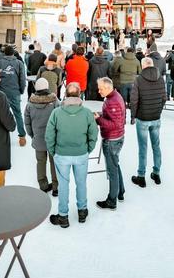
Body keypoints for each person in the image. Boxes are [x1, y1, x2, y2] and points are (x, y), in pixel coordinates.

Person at [45, 82, 99, 228]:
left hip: (62, 154)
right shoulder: (87, 113)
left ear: (65, 95)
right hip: (81, 154)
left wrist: (53, 151)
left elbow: (49, 135)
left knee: (63, 185)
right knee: (81, 183)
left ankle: (63, 216)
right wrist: (88, 149)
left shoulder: (57, 113)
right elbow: (94, 133)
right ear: (79, 94)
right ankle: (82, 211)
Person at [130, 57, 167, 188]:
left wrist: (133, 115)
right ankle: (156, 173)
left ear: (143, 66)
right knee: (156, 146)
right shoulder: (161, 79)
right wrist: (158, 111)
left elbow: (134, 100)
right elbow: (164, 98)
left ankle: (141, 176)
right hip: (156, 117)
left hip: (143, 118)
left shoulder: (139, 79)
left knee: (143, 148)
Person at [94, 77, 127, 209]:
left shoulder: (112, 101)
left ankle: (112, 201)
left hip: (112, 140)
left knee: (112, 170)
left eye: (101, 89)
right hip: (117, 137)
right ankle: (120, 192)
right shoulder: (114, 96)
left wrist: (99, 119)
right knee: (115, 164)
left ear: (108, 88)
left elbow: (115, 124)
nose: (99, 91)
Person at [25, 77, 60, 195]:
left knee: (40, 162)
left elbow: (27, 122)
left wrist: (32, 135)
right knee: (54, 162)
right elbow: (60, 118)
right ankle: (56, 187)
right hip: (53, 138)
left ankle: (43, 186)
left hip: (38, 138)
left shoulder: (30, 103)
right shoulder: (55, 101)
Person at [0, 45, 28, 146]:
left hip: (2, 92)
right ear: (13, 53)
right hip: (14, 92)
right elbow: (22, 78)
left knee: (1, 114)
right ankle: (22, 137)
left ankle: (0, 136)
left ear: (4, 53)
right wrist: (21, 90)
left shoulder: (0, 62)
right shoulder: (19, 63)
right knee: (18, 114)